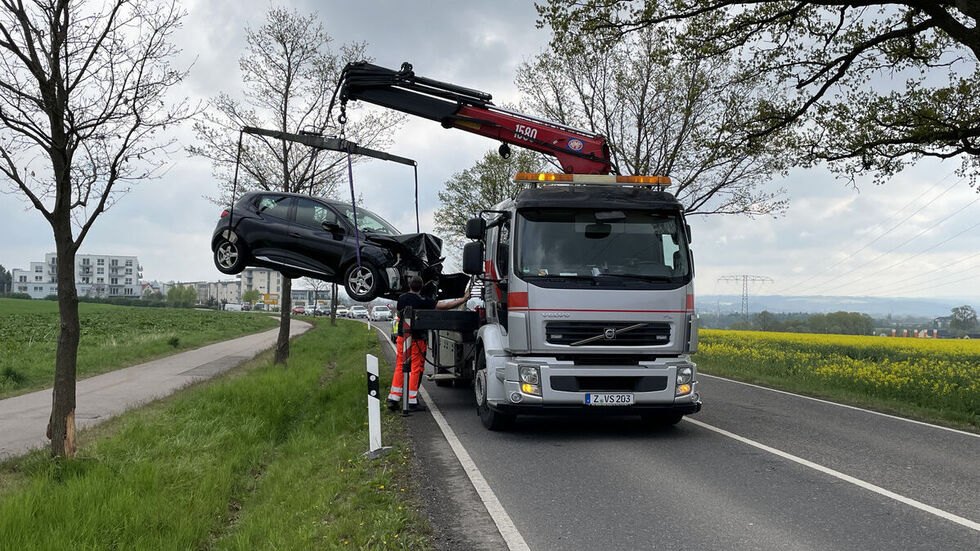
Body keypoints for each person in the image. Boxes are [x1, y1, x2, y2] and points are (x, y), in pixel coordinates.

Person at [387, 275, 470, 411]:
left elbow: (399, 313)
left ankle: (393, 398)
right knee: (415, 368)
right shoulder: (424, 301)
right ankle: (411, 400)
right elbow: (445, 306)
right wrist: (464, 299)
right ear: (422, 286)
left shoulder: (401, 299)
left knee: (400, 366)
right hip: (417, 340)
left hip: (402, 338)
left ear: (409, 285)